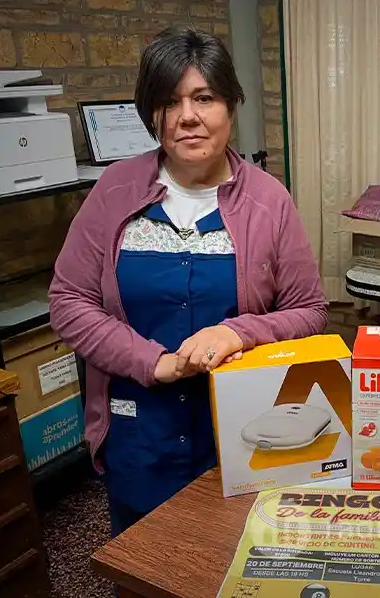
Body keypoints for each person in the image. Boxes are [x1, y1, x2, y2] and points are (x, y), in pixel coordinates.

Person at [49, 27, 327, 537]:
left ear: (231, 104)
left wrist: (236, 333)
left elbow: (309, 309)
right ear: (151, 112)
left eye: (204, 98)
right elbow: (69, 301)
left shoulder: (269, 201)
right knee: (145, 556)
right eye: (168, 101)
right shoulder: (115, 191)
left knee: (241, 550)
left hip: (245, 425)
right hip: (139, 425)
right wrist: (151, 362)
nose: (187, 117)